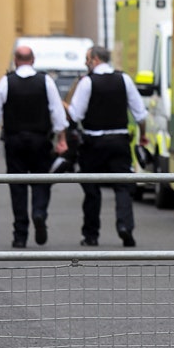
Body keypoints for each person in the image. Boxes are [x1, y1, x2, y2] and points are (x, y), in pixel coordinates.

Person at [0, 46, 70, 248]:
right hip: (40, 140)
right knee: (42, 181)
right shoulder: (45, 81)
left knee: (17, 186)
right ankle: (39, 213)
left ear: (15, 60)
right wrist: (62, 138)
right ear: (33, 60)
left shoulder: (7, 82)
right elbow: (58, 112)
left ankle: (20, 235)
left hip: (14, 141)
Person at [67, 46, 149, 247]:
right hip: (120, 140)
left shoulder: (87, 82)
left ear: (95, 59)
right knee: (123, 186)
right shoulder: (124, 79)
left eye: (87, 59)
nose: (86, 63)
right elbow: (140, 114)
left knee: (92, 189)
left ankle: (91, 234)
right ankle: (125, 227)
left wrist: (64, 105)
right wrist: (143, 135)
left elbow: (76, 115)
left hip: (93, 142)